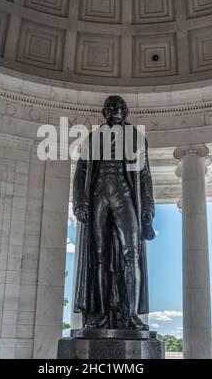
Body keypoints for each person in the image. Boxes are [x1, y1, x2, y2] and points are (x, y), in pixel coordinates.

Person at [73, 96, 156, 330]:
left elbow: (145, 174)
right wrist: (79, 201)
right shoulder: (92, 138)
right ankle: (99, 314)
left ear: (125, 111)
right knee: (99, 256)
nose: (114, 110)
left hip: (125, 195)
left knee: (132, 253)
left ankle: (130, 314)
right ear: (104, 111)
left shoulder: (136, 138)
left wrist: (148, 208)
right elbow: (82, 170)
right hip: (98, 194)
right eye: (110, 107)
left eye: (118, 107)